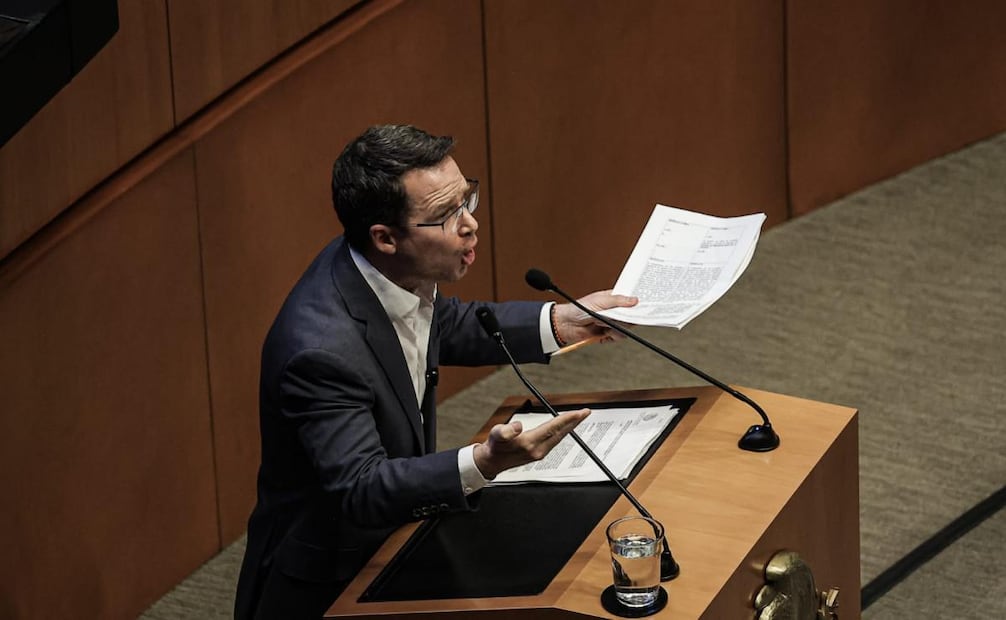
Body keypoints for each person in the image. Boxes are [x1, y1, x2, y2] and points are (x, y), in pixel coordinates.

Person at [234, 124, 638, 619]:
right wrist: (481, 462)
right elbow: (361, 487)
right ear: (384, 237)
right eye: (446, 216)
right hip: (331, 583)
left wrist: (561, 321)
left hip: (400, 534)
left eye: (467, 199)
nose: (469, 224)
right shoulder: (319, 352)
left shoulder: (382, 268)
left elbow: (438, 323)